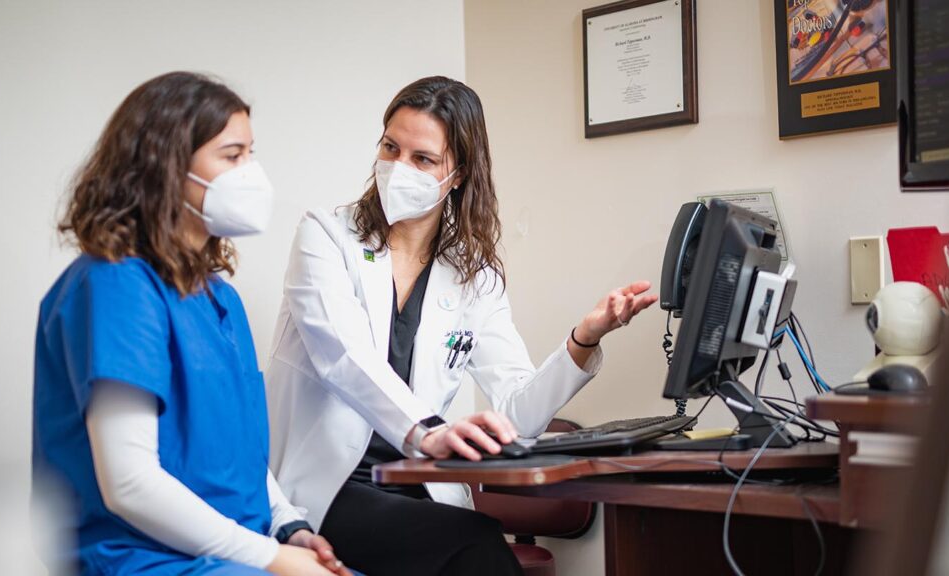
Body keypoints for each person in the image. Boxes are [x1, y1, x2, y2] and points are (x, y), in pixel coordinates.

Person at [265, 76, 658, 576]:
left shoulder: (473, 277)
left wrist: (584, 339)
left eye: (422, 159)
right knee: (474, 546)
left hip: (417, 486)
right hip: (327, 490)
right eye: (390, 148)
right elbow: (345, 358)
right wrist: (430, 432)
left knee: (471, 541)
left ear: (458, 174)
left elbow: (517, 413)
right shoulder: (325, 237)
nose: (397, 168)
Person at [32, 71, 353, 576]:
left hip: (230, 551)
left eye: (251, 153)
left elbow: (236, 453)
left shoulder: (218, 296)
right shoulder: (116, 286)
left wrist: (288, 528)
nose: (251, 172)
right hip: (142, 558)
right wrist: (272, 559)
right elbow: (130, 483)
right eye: (232, 155)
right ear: (167, 166)